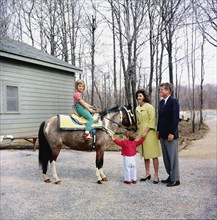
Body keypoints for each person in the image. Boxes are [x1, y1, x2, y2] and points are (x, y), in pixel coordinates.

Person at [135, 89, 161, 184]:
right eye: (138, 96)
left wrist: (146, 131)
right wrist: (139, 132)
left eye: (140, 96)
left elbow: (152, 121)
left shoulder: (150, 107)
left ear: (144, 97)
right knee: (145, 154)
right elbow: (138, 122)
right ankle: (147, 173)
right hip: (141, 132)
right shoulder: (137, 108)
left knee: (153, 154)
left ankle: (156, 175)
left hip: (150, 132)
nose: (139, 98)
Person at [157, 82, 180, 187]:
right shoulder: (161, 102)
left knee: (172, 157)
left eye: (162, 89)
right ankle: (170, 176)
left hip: (170, 135)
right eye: (160, 89)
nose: (160, 91)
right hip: (162, 134)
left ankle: (175, 179)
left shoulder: (173, 102)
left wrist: (172, 133)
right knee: (166, 158)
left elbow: (175, 119)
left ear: (168, 90)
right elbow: (160, 118)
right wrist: (158, 131)